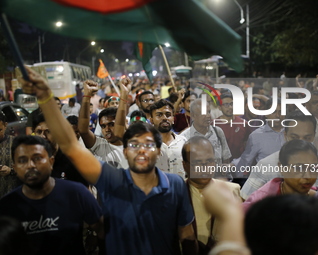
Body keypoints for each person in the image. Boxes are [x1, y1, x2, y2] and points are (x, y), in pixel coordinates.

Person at [20, 67, 198, 255]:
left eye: (148, 144)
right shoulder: (111, 179)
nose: (141, 150)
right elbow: (70, 145)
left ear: (159, 151)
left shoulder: (175, 184)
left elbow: (187, 236)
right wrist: (45, 97)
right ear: (126, 152)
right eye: (134, 145)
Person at [0, 135, 103, 255]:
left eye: (37, 158)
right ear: (15, 167)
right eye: (22, 160)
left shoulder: (76, 193)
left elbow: (102, 230)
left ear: (51, 162)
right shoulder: (6, 207)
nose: (31, 165)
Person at [242, 139, 318, 235]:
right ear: (282, 168)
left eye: (313, 168)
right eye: (299, 168)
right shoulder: (261, 202)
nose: (308, 176)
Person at [240, 110, 318, 200]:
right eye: (294, 137)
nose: (300, 143)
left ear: (314, 136)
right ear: (285, 135)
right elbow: (246, 200)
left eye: (307, 138)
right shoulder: (266, 165)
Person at [182, 136, 241, 254]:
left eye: (209, 161)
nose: (205, 168)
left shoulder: (231, 191)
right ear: (185, 165)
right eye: (197, 162)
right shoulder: (177, 193)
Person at [78, 81, 128, 168]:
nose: (107, 130)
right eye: (103, 126)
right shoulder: (99, 145)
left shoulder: (134, 147)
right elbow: (83, 130)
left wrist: (124, 94)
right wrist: (87, 95)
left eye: (111, 124)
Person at [181, 98, 232, 167]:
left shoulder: (218, 131)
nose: (208, 116)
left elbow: (226, 158)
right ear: (193, 116)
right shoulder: (184, 137)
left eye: (209, 112)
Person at [150, 99, 187, 178]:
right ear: (151, 120)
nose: (164, 118)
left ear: (173, 119)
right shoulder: (146, 144)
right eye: (159, 115)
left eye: (168, 115)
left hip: (180, 188)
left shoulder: (183, 142)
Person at [215, 93, 250, 161]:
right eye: (226, 105)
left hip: (239, 165)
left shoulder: (243, 123)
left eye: (232, 104)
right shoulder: (213, 125)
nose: (230, 107)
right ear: (219, 107)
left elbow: (247, 144)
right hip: (221, 165)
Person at [0, 112, 21, 198]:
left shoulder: (15, 143)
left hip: (10, 195)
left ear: (5, 125)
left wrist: (11, 171)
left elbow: (25, 168)